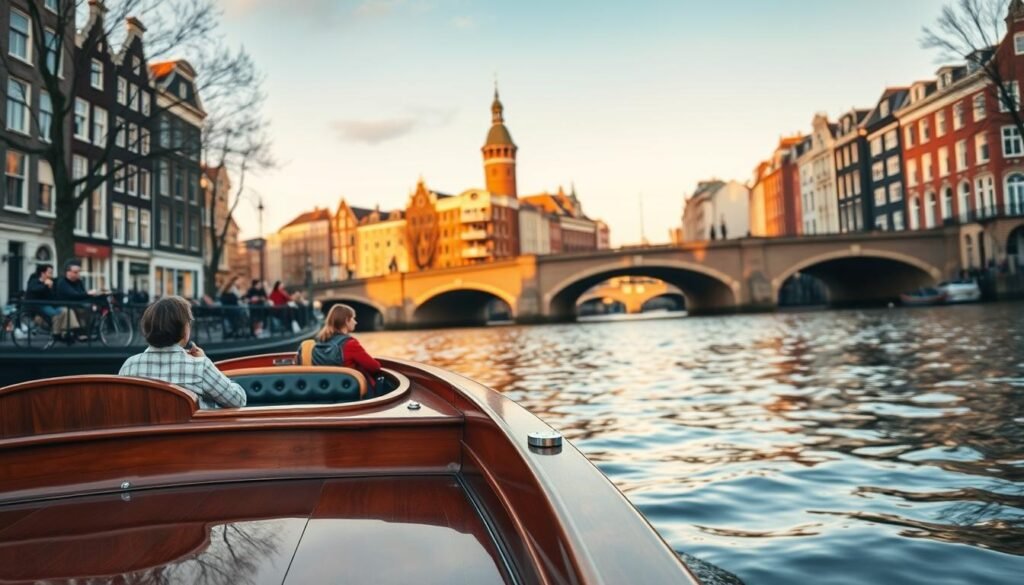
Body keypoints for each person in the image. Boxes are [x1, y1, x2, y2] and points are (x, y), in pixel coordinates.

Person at [119, 296, 247, 409]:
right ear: (184, 329)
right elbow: (238, 400)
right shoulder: (199, 367)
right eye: (189, 322)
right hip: (190, 436)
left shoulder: (129, 366)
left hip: (143, 436)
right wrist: (206, 361)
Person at [297, 304, 383, 394]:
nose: (355, 322)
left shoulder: (317, 342)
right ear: (346, 321)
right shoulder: (350, 344)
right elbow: (375, 367)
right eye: (353, 318)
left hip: (320, 393)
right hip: (348, 393)